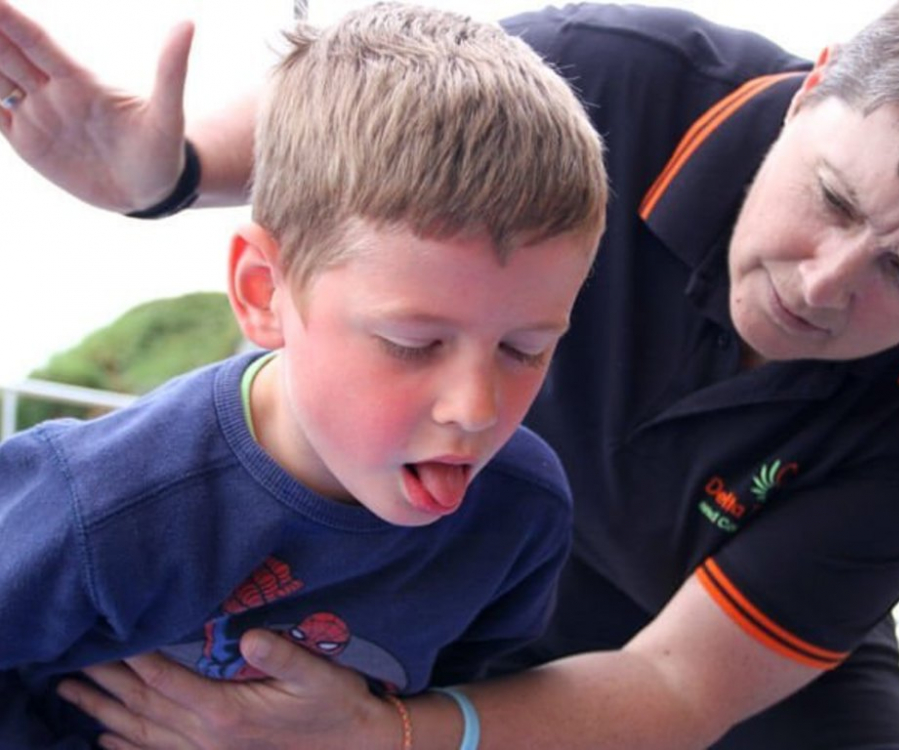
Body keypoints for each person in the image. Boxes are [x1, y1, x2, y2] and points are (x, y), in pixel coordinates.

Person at [4, 0, 899, 748]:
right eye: (832, 200)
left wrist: (386, 736)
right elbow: (385, 114)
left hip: (673, 620)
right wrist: (173, 172)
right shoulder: (615, 71)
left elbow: (680, 687)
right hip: (433, 531)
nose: (823, 284)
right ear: (810, 91)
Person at [0, 3, 607, 748]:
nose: (474, 408)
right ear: (263, 291)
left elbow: (466, 690)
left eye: (525, 349)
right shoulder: (96, 503)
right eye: (413, 342)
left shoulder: (521, 513)